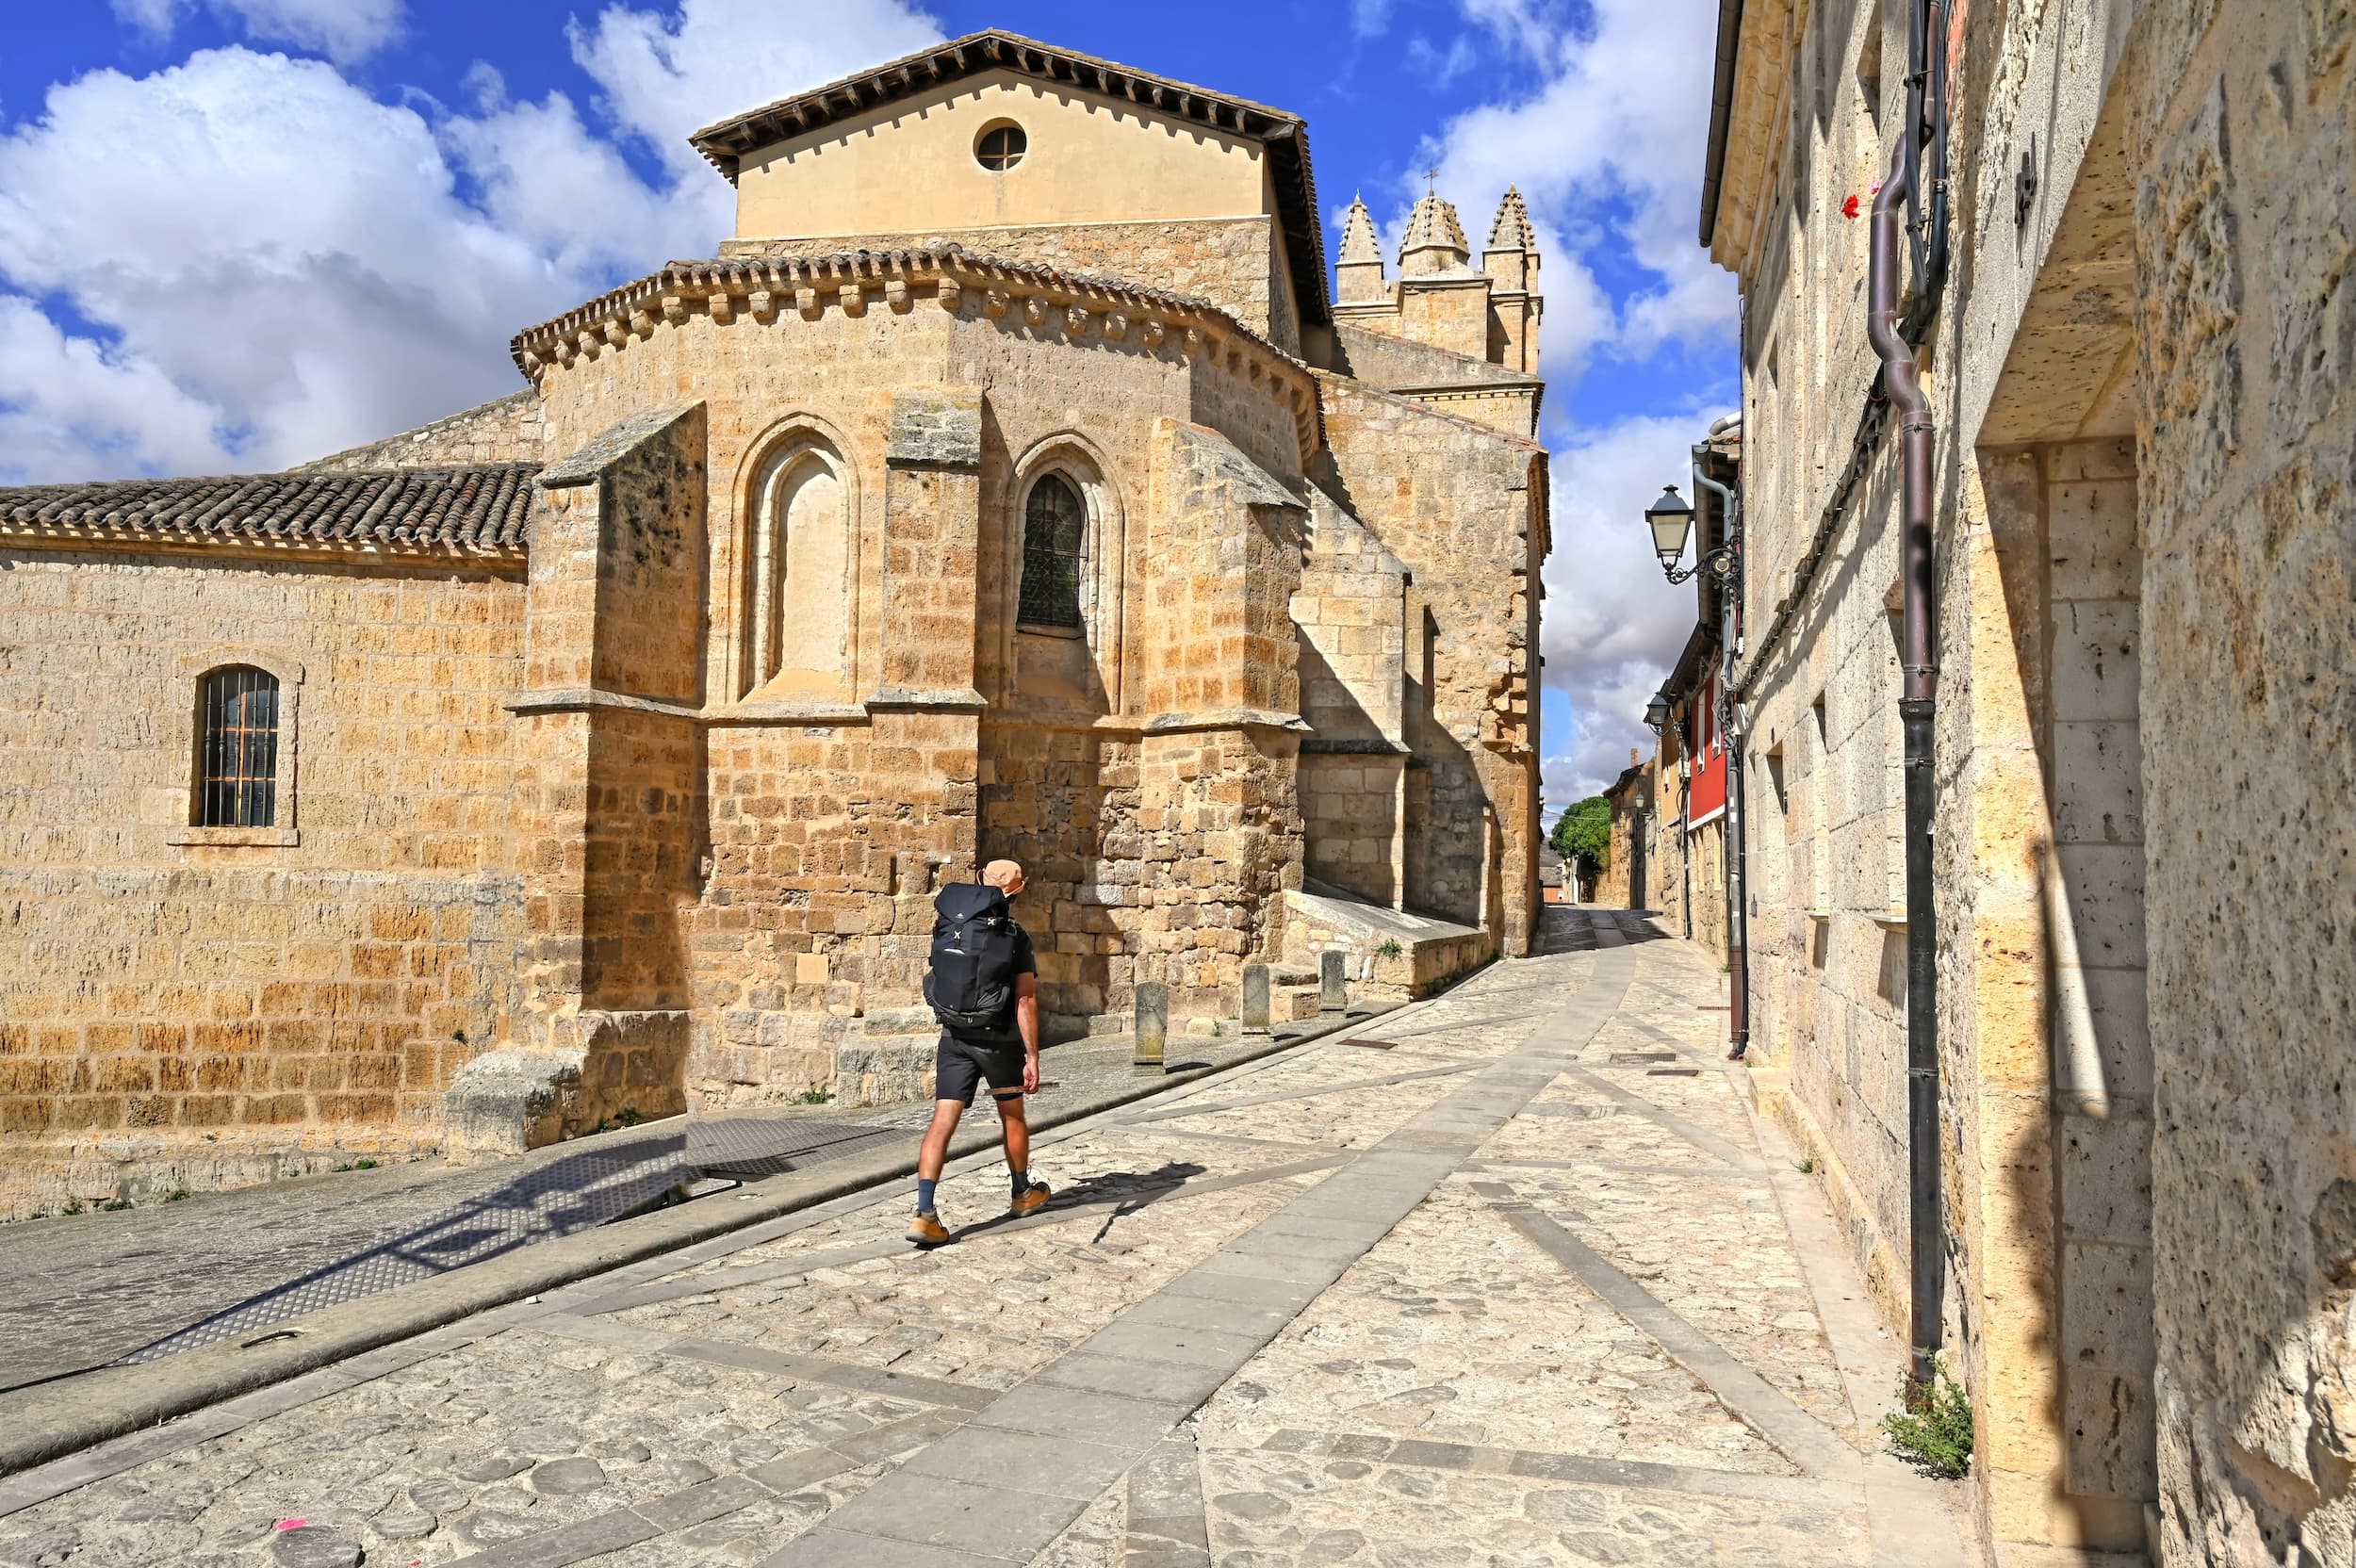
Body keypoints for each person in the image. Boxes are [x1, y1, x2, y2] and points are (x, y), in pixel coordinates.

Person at [908, 858, 1051, 1246]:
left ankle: (924, 1213)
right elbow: (1025, 1001)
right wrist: (1033, 1056)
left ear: (978, 881)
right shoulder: (1014, 935)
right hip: (999, 1041)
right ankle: (1022, 1193)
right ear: (1017, 890)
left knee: (942, 1122)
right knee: (1012, 1115)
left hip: (954, 1036)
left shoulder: (948, 924)